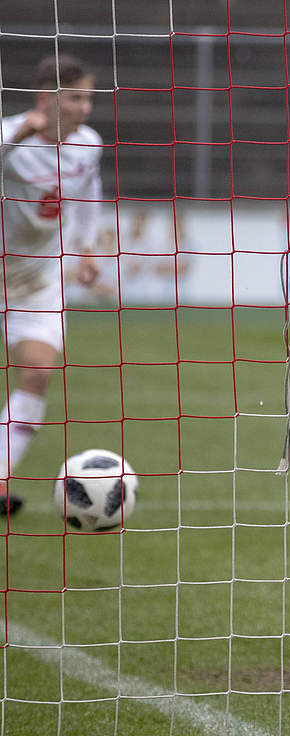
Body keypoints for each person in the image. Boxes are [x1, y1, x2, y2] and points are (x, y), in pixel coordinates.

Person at [2, 55, 103, 515]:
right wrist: (15, 137)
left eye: (88, 97)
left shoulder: (88, 145)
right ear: (47, 98)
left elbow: (87, 196)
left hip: (37, 277)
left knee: (38, 373)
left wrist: (84, 249)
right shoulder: (12, 136)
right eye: (76, 97)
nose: (85, 108)